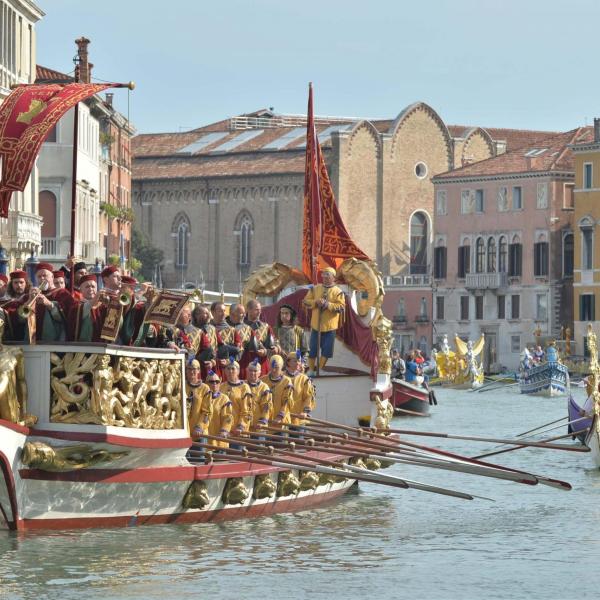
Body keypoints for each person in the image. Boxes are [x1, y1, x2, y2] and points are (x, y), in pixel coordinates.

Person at [302, 266, 345, 376]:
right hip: (316, 325)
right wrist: (316, 302)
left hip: (330, 326)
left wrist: (327, 304)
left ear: (333, 278)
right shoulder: (315, 289)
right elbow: (306, 301)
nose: (325, 278)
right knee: (312, 350)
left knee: (327, 350)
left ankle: (320, 369)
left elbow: (341, 307)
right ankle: (311, 370)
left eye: (327, 275)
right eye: (324, 275)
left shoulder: (338, 292)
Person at [190, 371, 233, 451]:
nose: (214, 384)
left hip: (218, 443)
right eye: (212, 382)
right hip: (203, 440)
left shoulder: (224, 399)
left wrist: (225, 430)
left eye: (217, 382)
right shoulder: (201, 398)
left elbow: (228, 418)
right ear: (206, 383)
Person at [220, 359, 253, 439]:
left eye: (233, 369)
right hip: (223, 430)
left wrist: (241, 426)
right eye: (228, 369)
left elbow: (247, 411)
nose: (230, 371)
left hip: (238, 431)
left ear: (238, 371)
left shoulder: (244, 387)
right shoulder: (221, 386)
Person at [285, 351, 316, 434]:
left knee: (299, 445)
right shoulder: (281, 378)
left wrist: (305, 412)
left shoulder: (304, 379)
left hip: (298, 419)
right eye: (295, 361)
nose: (298, 363)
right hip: (284, 419)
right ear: (288, 362)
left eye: (299, 361)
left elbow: (309, 397)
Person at [242, 299, 275, 376]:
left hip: (262, 364)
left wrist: (265, 351)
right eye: (256, 310)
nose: (259, 312)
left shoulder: (266, 327)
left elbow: (273, 346)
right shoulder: (241, 327)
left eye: (260, 310)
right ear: (249, 310)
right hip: (245, 364)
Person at [261, 355, 293, 430]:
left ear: (281, 367)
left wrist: (280, 416)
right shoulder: (263, 380)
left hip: (281, 422)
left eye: (277, 367)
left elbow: (287, 401)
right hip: (266, 422)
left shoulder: (287, 381)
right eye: (272, 367)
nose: (274, 370)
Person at [246, 359, 272, 436]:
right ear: (247, 371)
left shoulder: (264, 387)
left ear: (259, 373)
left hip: (259, 427)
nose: (252, 373)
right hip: (245, 427)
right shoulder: (242, 386)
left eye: (255, 371)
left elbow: (267, 407)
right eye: (250, 370)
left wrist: (262, 421)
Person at [228, 303, 254, 377]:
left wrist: (263, 350)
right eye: (241, 313)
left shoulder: (248, 329)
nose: (244, 315)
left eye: (244, 313)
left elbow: (256, 346)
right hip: (226, 366)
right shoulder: (222, 327)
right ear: (232, 314)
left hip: (242, 366)